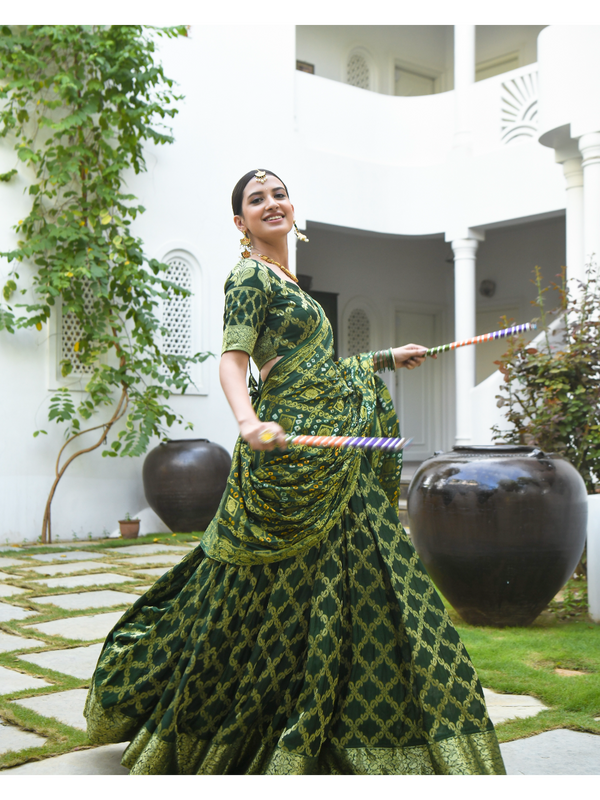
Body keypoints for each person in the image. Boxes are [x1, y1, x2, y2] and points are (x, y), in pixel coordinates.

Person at [84, 169, 506, 778]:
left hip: (332, 461)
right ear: (241, 223)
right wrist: (249, 422)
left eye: (279, 193)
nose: (272, 203)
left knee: (366, 588)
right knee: (248, 599)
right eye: (257, 199)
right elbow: (233, 363)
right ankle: (231, 724)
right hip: (286, 461)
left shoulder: (290, 282)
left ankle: (348, 723)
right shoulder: (249, 275)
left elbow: (313, 369)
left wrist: (384, 356)